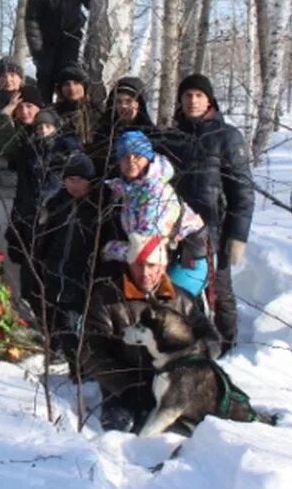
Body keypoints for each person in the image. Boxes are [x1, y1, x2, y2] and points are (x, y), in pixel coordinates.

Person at [82, 233, 219, 433]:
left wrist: (194, 361)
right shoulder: (106, 299)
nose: (145, 273)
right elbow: (90, 351)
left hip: (177, 386)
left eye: (152, 265)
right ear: (129, 264)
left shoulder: (182, 300)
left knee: (205, 430)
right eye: (139, 265)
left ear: (162, 267)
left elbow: (212, 338)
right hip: (125, 388)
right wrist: (126, 386)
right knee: (118, 434)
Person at [159, 74, 254, 351]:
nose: (192, 101)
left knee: (218, 291)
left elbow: (243, 192)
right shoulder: (171, 137)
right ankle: (178, 342)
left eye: (199, 95)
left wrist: (238, 235)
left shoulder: (227, 137)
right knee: (173, 289)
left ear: (209, 99)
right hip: (173, 231)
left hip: (213, 229)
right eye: (187, 95)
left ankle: (226, 346)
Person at [102, 131, 210, 299]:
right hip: (163, 259)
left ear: (148, 158)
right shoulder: (131, 190)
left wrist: (109, 249)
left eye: (137, 156)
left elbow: (147, 249)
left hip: (187, 262)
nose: (131, 161)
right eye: (125, 156)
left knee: (165, 308)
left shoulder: (155, 192)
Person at [33, 152, 113, 372]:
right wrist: (40, 259)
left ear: (90, 181)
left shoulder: (99, 205)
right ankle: (65, 357)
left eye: (78, 180)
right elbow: (45, 235)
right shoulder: (58, 203)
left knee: (76, 322)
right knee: (56, 318)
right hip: (55, 270)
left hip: (82, 274)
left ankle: (81, 367)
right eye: (69, 180)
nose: (73, 185)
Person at [5, 108, 78, 316]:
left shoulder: (66, 151)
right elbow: (22, 191)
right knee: (29, 274)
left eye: (48, 126)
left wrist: (45, 205)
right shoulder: (30, 152)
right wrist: (17, 222)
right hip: (30, 219)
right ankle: (33, 318)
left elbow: (58, 183)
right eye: (39, 127)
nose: (43, 131)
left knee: (51, 274)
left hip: (55, 220)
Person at [25, 0, 93, 104]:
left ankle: (71, 112)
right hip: (46, 42)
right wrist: (37, 49)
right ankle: (45, 114)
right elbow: (31, 20)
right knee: (45, 77)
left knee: (69, 77)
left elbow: (93, 3)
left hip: (71, 38)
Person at [90, 77, 156, 178]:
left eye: (129, 101)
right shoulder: (104, 133)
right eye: (119, 102)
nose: (123, 106)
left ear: (138, 104)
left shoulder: (151, 134)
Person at [0, 84, 44, 168]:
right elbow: (4, 149)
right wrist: (5, 114)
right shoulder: (17, 128)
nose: (24, 112)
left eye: (29, 106)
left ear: (39, 107)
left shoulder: (48, 127)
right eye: (19, 107)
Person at [53, 65, 102, 147]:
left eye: (76, 83)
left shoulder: (98, 111)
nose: (72, 88)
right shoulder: (55, 113)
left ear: (84, 86)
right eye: (67, 84)